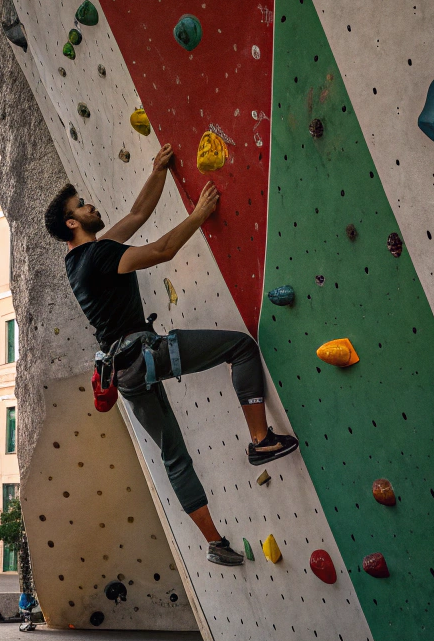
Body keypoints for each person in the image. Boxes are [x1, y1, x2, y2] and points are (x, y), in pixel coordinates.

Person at [44, 143, 298, 566]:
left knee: (172, 454)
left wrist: (158, 169)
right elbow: (161, 250)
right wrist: (198, 215)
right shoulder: (101, 256)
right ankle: (260, 440)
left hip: (123, 375)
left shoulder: (78, 261)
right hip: (146, 355)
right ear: (73, 221)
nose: (91, 206)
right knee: (241, 347)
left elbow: (137, 216)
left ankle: (215, 542)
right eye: (83, 206)